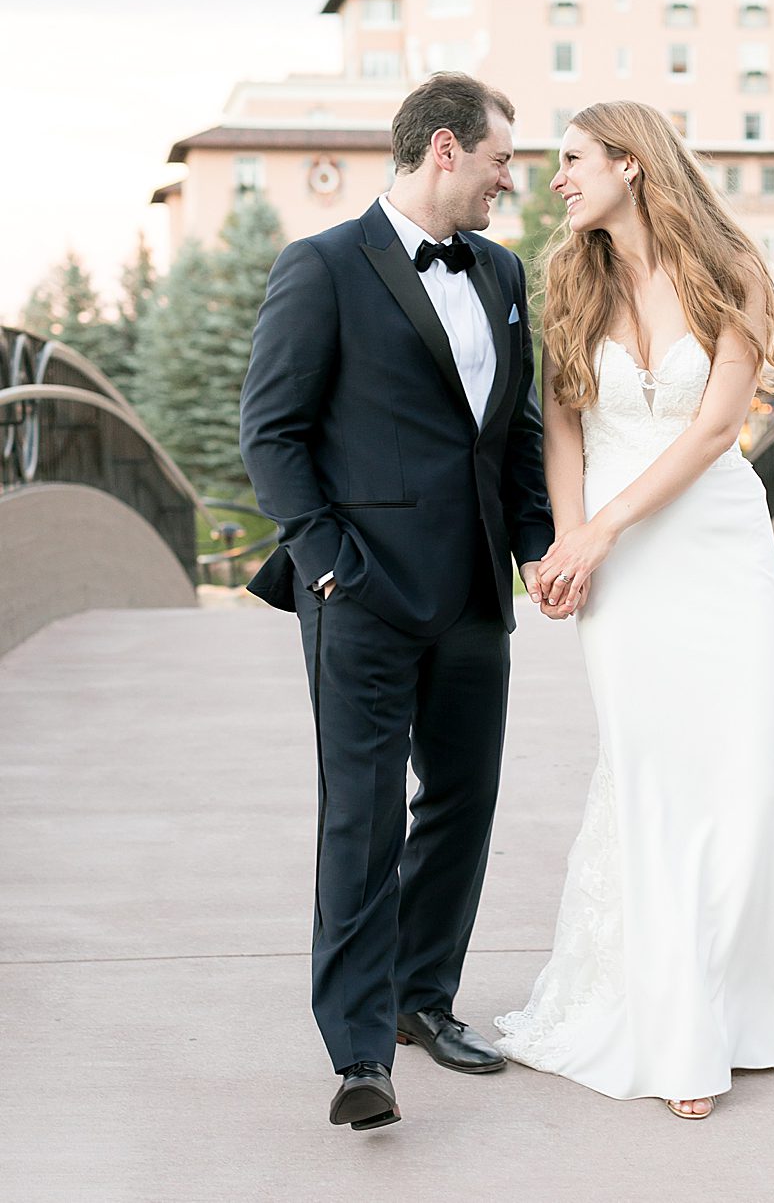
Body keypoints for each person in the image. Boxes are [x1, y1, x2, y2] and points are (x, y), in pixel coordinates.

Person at [240, 72, 557, 1132]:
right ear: (444, 152)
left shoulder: (504, 272)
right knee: (362, 820)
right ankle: (359, 1054)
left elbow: (509, 434)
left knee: (462, 805)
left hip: (474, 589)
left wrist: (538, 551)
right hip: (362, 593)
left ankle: (424, 1000)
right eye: (503, 160)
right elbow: (271, 432)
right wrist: (326, 560)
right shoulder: (323, 267)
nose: (514, 181)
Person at [495, 101, 774, 1118]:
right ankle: (679, 1028)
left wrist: (601, 530)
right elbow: (561, 426)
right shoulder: (566, 277)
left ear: (632, 165)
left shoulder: (728, 268)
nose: (556, 179)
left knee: (751, 775)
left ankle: (741, 1003)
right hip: (621, 575)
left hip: (716, 552)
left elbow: (713, 428)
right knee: (652, 780)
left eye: (573, 160)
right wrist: (569, 537)